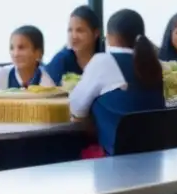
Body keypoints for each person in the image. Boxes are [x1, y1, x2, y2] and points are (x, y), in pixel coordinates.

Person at [69, 9, 164, 155]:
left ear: (109, 36)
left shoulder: (104, 61)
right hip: (154, 162)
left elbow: (76, 108)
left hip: (117, 165)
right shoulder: (153, 64)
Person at [0, 25, 56, 90]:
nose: (15, 54)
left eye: (21, 48)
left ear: (38, 53)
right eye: (12, 48)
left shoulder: (46, 84)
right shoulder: (3, 75)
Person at [46, 5, 102, 84]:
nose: (74, 36)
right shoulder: (61, 60)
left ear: (96, 33)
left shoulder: (105, 60)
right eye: (70, 30)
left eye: (80, 30)